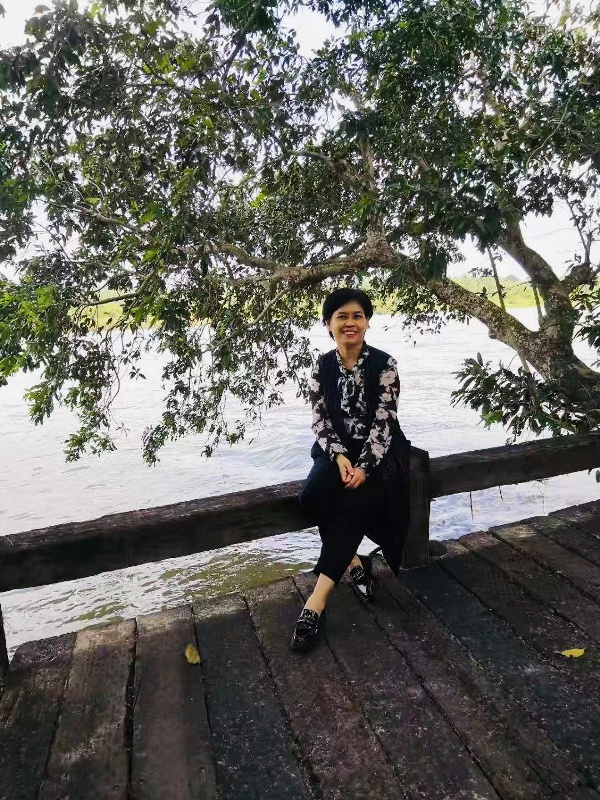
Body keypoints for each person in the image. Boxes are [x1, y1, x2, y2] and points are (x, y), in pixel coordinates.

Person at [291, 287, 411, 651]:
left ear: (367, 322)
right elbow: (320, 420)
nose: (350, 323)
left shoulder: (385, 365)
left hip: (380, 454)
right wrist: (341, 457)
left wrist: (364, 466)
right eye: (341, 316)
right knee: (312, 496)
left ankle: (316, 601)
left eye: (357, 316)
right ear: (329, 324)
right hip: (336, 450)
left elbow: (384, 423)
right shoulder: (321, 366)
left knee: (353, 505)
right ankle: (354, 562)